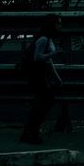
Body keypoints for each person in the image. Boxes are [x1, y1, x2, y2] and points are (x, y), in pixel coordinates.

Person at [19, 14, 63, 145]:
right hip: (37, 76)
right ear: (52, 24)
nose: (60, 26)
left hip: (41, 76)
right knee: (42, 104)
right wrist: (53, 53)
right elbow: (38, 57)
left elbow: (48, 62)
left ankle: (30, 133)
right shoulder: (43, 39)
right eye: (58, 23)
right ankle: (31, 133)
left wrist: (57, 78)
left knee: (41, 104)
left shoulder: (48, 39)